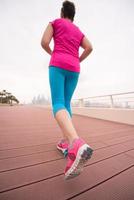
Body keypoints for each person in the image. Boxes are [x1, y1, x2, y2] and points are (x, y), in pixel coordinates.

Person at [41, 0, 93, 180]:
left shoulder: (55, 23)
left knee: (57, 104)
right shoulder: (78, 31)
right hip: (74, 68)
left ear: (62, 12)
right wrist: (77, 59)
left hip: (58, 64)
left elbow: (44, 42)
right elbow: (89, 47)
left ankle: (75, 143)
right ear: (73, 15)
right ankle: (66, 142)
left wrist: (52, 53)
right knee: (66, 103)